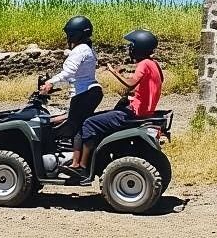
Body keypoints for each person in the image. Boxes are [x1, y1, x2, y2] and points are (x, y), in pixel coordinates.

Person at [69, 29, 163, 175]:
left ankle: (80, 166)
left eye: (132, 45)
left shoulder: (144, 64)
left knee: (88, 123)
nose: (130, 49)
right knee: (101, 117)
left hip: (133, 113)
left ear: (139, 47)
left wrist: (114, 72)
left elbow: (130, 83)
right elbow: (148, 86)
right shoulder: (155, 65)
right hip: (142, 111)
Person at [40, 15, 103, 155]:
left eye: (69, 34)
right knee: (69, 120)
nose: (68, 37)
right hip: (91, 91)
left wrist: (50, 82)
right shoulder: (87, 49)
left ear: (76, 35)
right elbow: (77, 74)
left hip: (83, 94)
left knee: (75, 126)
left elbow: (68, 72)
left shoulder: (80, 50)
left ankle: (76, 163)